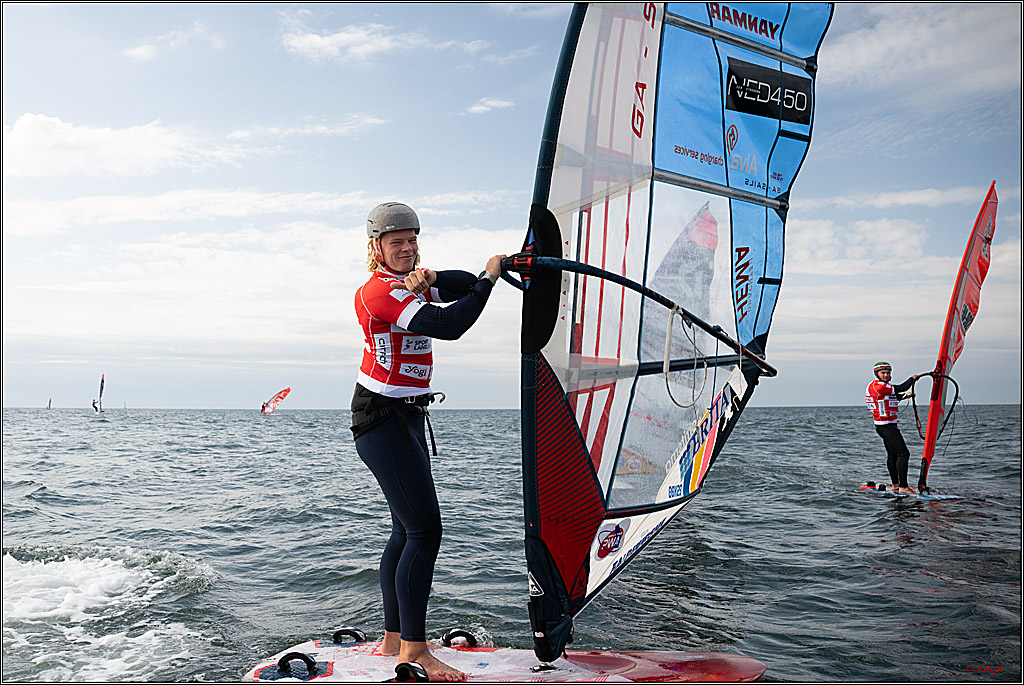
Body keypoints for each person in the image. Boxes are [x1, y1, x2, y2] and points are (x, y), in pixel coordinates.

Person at [351, 201, 504, 682]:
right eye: (397, 242)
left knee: (405, 530)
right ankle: (414, 653)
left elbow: (454, 285)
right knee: (424, 532)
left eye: (413, 240)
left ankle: (394, 639)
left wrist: (475, 272)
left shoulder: (410, 280)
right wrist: (489, 282)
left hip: (407, 418)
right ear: (376, 248)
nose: (407, 248)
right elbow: (449, 324)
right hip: (382, 419)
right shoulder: (379, 292)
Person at [865, 361, 920, 494]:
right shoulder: (878, 386)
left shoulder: (883, 386)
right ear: (876, 374)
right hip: (886, 427)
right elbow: (901, 387)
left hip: (886, 426)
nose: (886, 375)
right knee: (904, 454)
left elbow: (890, 397)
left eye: (888, 373)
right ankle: (904, 487)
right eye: (883, 373)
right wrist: (912, 379)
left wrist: (905, 396)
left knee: (893, 455)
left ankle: (895, 485)